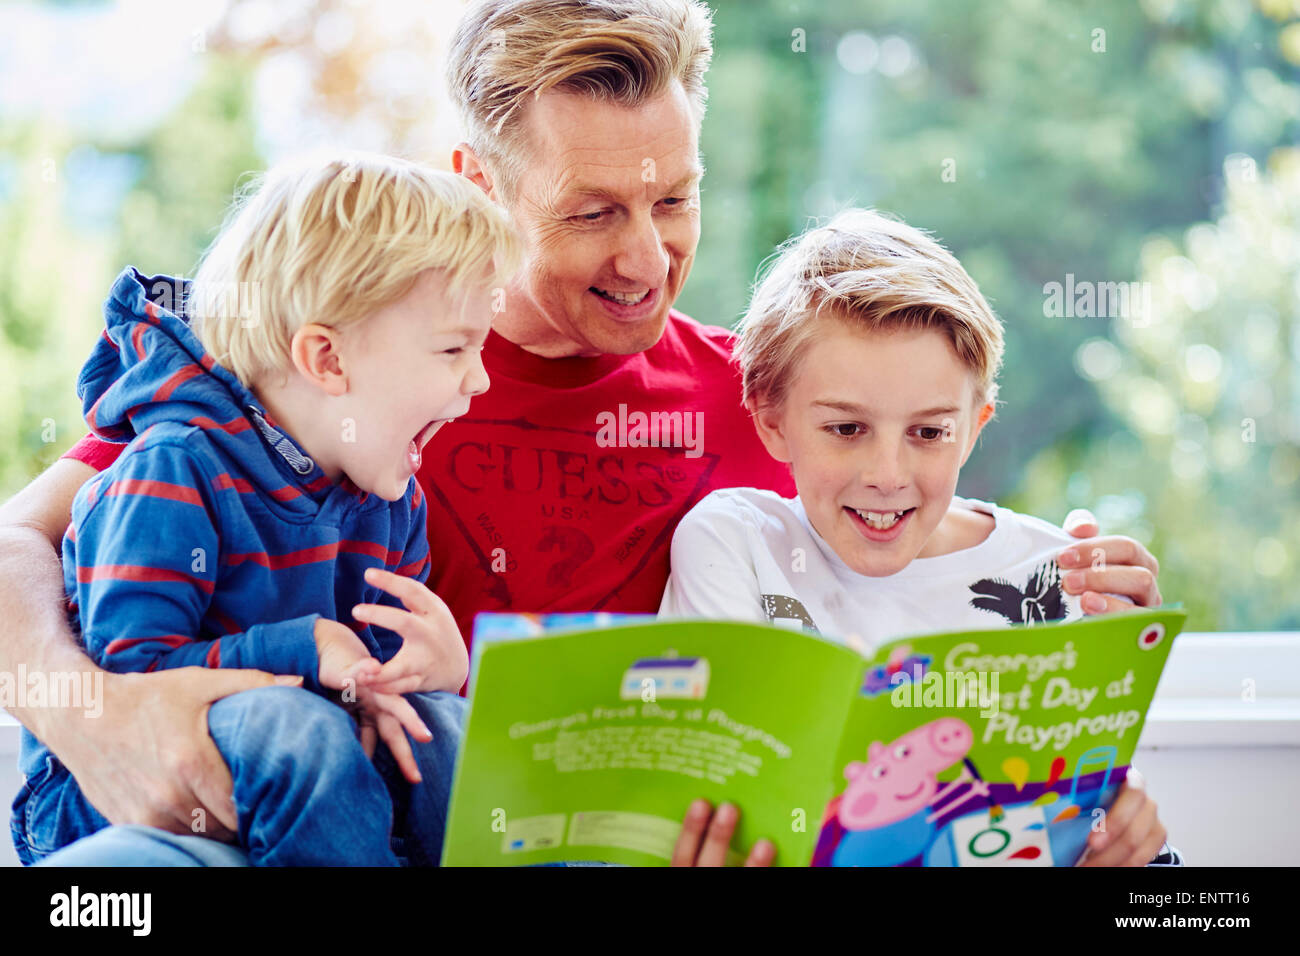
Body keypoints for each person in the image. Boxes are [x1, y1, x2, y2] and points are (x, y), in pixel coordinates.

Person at [0, 0, 1161, 866]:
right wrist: (87, 711)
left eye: (674, 200)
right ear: (480, 186)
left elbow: (934, 612)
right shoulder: (367, 361)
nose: (648, 258)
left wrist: (1105, 798)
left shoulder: (779, 402)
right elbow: (21, 545)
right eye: (593, 212)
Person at [10, 152, 521, 866]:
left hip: (303, 776)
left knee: (451, 730)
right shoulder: (174, 470)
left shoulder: (390, 493)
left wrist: (415, 669)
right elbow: (132, 688)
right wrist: (302, 647)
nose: (480, 377)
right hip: (108, 792)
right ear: (328, 360)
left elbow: (362, 686)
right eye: (453, 348)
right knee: (297, 731)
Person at [660, 209, 1176, 866]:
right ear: (770, 421)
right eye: (846, 429)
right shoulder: (734, 544)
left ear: (976, 424)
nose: (887, 476)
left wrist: (1124, 842)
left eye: (929, 433)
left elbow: (1089, 819)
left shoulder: (1055, 576)